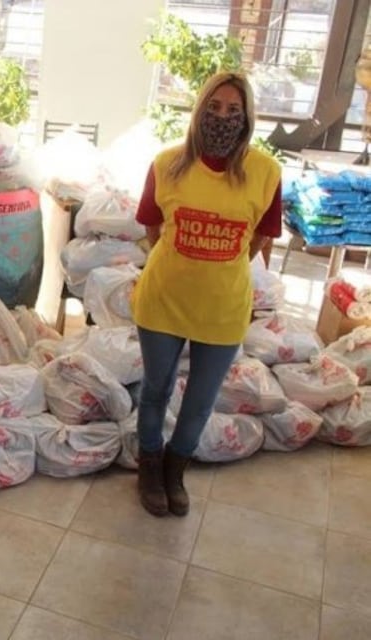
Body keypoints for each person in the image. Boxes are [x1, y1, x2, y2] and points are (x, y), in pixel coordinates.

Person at [130, 72, 282, 517]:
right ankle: (149, 467)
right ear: (199, 111)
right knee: (155, 390)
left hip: (223, 308)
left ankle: (175, 470)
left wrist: (218, 263)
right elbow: (153, 228)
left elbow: (259, 239)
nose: (222, 117)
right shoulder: (167, 164)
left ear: (247, 118)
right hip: (163, 301)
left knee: (200, 400)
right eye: (213, 108)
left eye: (234, 110)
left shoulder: (266, 172)